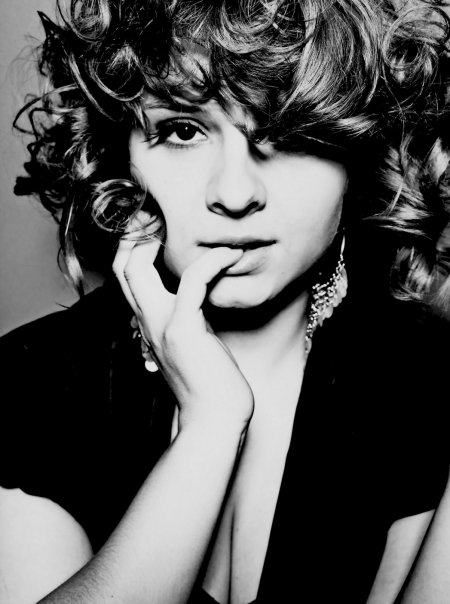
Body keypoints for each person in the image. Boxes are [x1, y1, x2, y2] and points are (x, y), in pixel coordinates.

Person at [1, 0, 450, 602]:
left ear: (357, 158)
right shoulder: (29, 384)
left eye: (289, 133)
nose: (235, 193)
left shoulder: (428, 385)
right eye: (183, 131)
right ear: (120, 156)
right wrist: (210, 427)